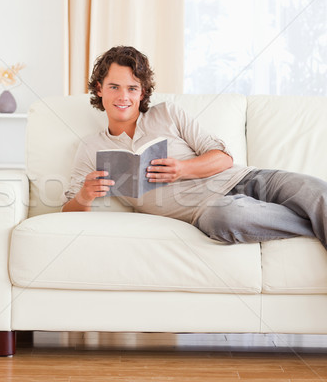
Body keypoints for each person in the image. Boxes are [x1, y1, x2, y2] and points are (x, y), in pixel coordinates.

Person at [62, 45, 327, 250]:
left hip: (247, 179)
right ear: (99, 89)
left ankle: (316, 214)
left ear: (142, 93)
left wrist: (182, 169)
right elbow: (67, 212)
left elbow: (223, 158)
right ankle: (314, 221)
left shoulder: (168, 114)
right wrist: (85, 196)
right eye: (114, 87)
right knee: (227, 218)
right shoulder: (91, 147)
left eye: (132, 88)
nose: (123, 96)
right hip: (211, 209)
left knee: (316, 193)